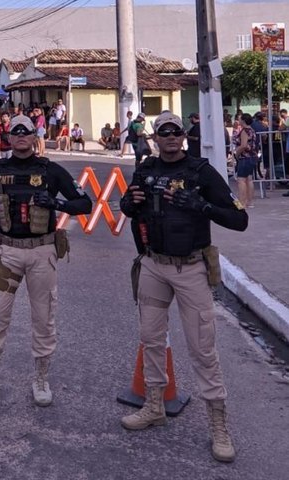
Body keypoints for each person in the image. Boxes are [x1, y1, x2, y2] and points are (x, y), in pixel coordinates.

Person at [119, 111, 248, 463]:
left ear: (184, 137)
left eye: (177, 132)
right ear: (156, 139)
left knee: (203, 350)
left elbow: (240, 220)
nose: (172, 137)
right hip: (153, 265)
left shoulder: (201, 172)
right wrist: (128, 205)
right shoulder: (145, 170)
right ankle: (155, 406)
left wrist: (202, 205)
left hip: (191, 269)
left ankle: (218, 427)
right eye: (165, 133)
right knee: (151, 340)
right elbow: (130, 208)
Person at [0, 115, 92, 405]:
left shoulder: (50, 171)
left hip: (42, 251)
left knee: (43, 318)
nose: (21, 136)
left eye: (26, 132)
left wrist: (57, 203)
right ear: (8, 137)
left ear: (35, 137)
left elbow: (84, 203)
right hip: (7, 252)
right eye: (15, 131)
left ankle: (41, 379)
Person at [232, 113, 258, 208]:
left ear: (243, 120)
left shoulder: (244, 131)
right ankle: (250, 202)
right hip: (252, 156)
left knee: (241, 180)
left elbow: (243, 145)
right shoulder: (252, 130)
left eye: (240, 119)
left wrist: (237, 154)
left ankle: (242, 202)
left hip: (245, 157)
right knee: (249, 179)